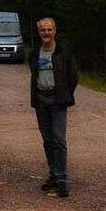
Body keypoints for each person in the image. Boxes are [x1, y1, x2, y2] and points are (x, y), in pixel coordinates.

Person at [29, 17, 78, 198]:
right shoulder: (35, 53)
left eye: (49, 30)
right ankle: (52, 174)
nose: (46, 33)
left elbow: (73, 76)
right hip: (41, 101)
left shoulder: (63, 51)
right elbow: (34, 73)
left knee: (59, 139)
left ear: (55, 30)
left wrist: (64, 93)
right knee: (47, 139)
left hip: (58, 101)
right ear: (39, 32)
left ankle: (61, 178)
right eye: (43, 30)